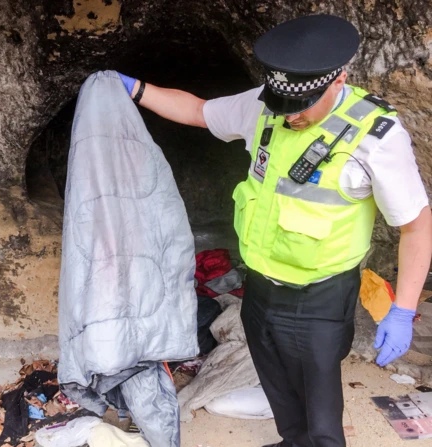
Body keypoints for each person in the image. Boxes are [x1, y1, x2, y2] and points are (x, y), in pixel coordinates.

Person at [117, 14, 432, 447]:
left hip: (319, 296)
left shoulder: (375, 137)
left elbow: (416, 225)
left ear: (337, 81)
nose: (290, 117)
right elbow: (196, 110)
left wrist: (403, 310)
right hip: (260, 286)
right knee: (277, 385)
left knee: (320, 407)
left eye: (301, 106)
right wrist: (134, 88)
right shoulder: (267, 106)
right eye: (282, 104)